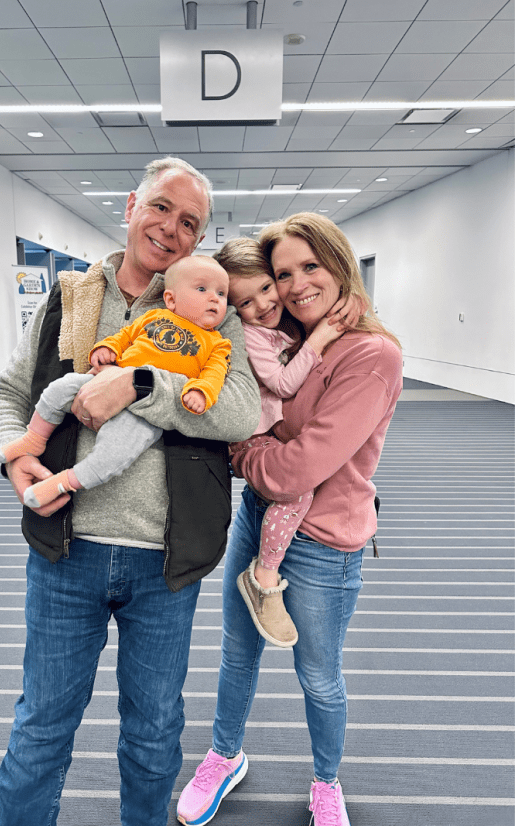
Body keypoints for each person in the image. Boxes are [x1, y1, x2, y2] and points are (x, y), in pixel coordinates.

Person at [0, 157, 263, 826]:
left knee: (152, 736)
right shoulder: (72, 298)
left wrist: (142, 384)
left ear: (197, 240)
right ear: (133, 203)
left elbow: (239, 413)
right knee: (41, 731)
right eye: (161, 207)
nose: (169, 228)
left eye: (188, 223)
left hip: (164, 563)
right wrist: (8, 458)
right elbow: (8, 393)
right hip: (64, 552)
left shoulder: (211, 310)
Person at [177, 213, 403, 826]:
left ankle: (327, 781)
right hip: (257, 516)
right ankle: (225, 755)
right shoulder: (285, 336)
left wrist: (245, 452)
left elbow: (297, 469)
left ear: (340, 263)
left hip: (325, 540)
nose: (297, 285)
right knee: (237, 650)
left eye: (311, 266)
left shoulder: (371, 354)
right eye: (284, 274)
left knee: (319, 676)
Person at [0, 255, 232, 509]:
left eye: (222, 293)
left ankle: (63, 482)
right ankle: (33, 439)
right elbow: (124, 337)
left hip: (145, 413)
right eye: (202, 289)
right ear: (171, 299)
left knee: (113, 455)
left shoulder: (218, 342)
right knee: (58, 389)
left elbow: (215, 373)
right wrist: (106, 348)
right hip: (102, 378)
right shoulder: (153, 317)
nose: (214, 298)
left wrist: (201, 391)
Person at [214, 238, 346, 648]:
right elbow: (284, 384)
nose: (264, 304)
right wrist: (320, 339)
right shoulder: (251, 336)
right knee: (297, 493)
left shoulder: (276, 326)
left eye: (267, 287)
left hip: (266, 433)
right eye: (246, 302)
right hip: (253, 438)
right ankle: (265, 575)